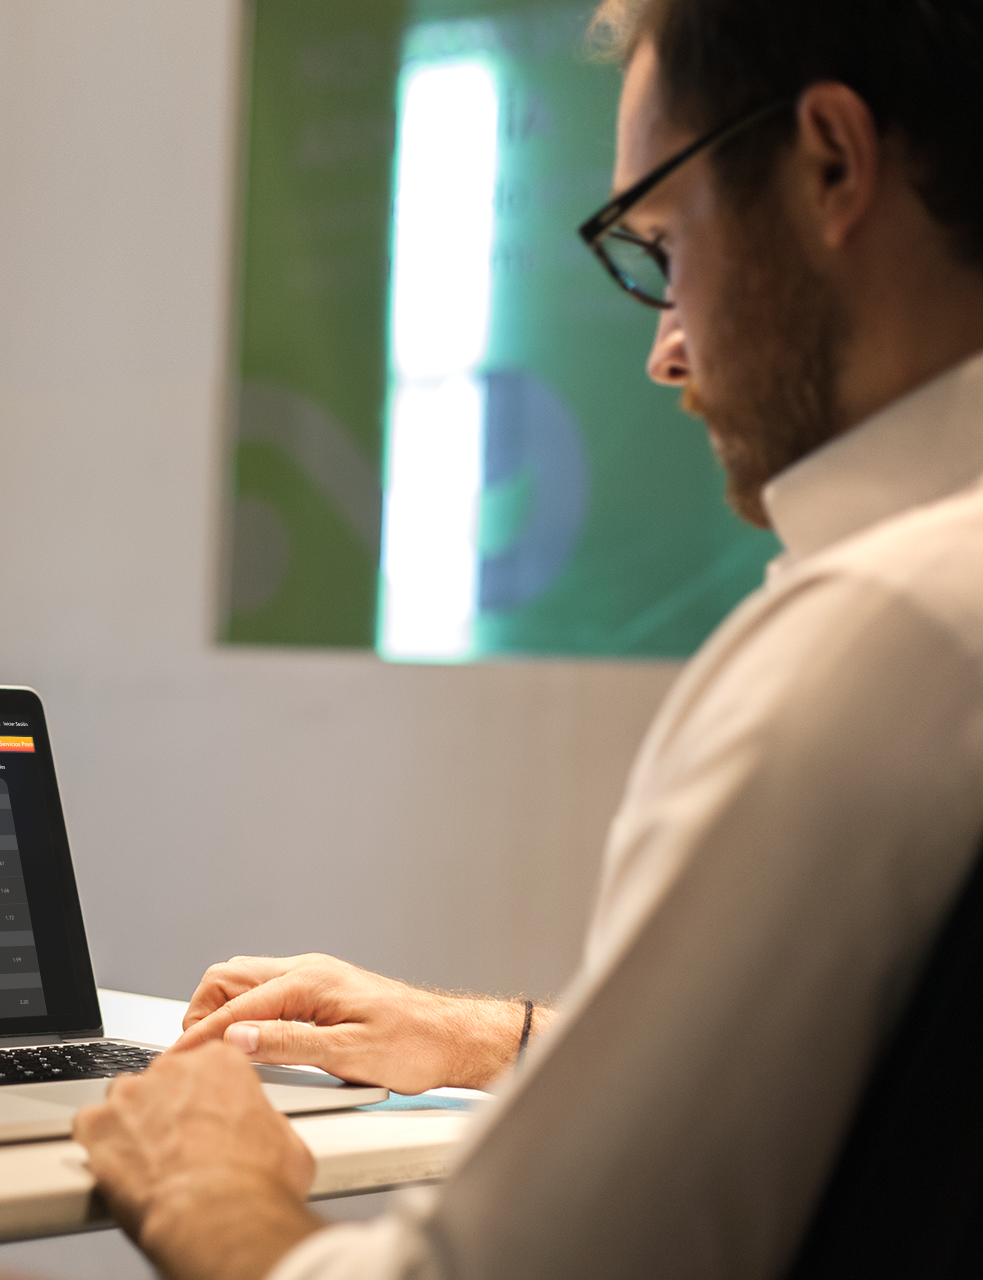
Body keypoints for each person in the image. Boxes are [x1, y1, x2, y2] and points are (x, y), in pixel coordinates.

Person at [72, 1, 983, 1276]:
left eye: (663, 243)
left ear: (830, 162)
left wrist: (208, 1185)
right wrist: (489, 1035)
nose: (668, 353)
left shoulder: (883, 638)